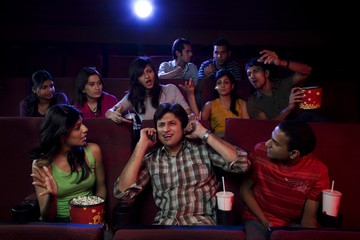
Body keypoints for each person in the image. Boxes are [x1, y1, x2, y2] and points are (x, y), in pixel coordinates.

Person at [113, 103, 250, 225]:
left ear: (183, 127)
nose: (166, 129)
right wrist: (141, 145)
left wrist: (203, 133)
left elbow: (242, 164)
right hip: (166, 226)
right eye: (161, 125)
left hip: (200, 226)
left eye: (172, 123)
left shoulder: (202, 150)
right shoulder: (152, 159)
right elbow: (122, 193)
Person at [240, 119, 329, 240]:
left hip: (290, 225)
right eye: (271, 137)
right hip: (256, 219)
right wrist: (265, 221)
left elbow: (308, 218)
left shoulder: (318, 171)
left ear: (293, 154)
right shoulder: (260, 151)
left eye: (275, 143)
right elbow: (245, 190)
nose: (267, 144)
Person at [30, 104, 106, 222]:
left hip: (89, 219)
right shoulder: (42, 164)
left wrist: (98, 216)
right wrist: (52, 196)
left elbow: (101, 187)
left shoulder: (94, 151)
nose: (85, 129)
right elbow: (47, 217)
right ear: (62, 135)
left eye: (82, 124)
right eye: (77, 127)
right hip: (57, 223)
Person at [106, 57, 193, 123]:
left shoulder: (171, 89)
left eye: (149, 71)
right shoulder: (133, 96)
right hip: (149, 138)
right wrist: (112, 114)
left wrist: (190, 117)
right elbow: (110, 111)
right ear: (136, 79)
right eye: (141, 74)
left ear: (154, 73)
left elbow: (188, 112)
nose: (147, 76)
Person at [180, 70, 249, 138]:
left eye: (226, 82)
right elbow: (199, 121)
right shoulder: (210, 104)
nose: (222, 85)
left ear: (232, 86)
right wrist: (190, 95)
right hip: (218, 140)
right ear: (216, 87)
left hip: (238, 139)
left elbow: (247, 126)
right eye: (219, 83)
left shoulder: (242, 103)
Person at [245, 50, 312, 120]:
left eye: (256, 71)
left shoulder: (283, 84)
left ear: (266, 73)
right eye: (249, 74)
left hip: (297, 125)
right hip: (278, 130)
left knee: (311, 114)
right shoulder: (252, 102)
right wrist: (288, 109)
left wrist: (281, 63)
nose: (252, 76)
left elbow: (307, 70)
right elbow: (267, 126)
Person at [197, 38, 242, 108]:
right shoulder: (205, 65)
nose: (219, 56)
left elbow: (238, 89)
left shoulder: (234, 66)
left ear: (228, 54)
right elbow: (199, 90)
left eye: (223, 52)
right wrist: (205, 76)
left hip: (228, 96)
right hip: (209, 96)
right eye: (216, 52)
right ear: (213, 53)